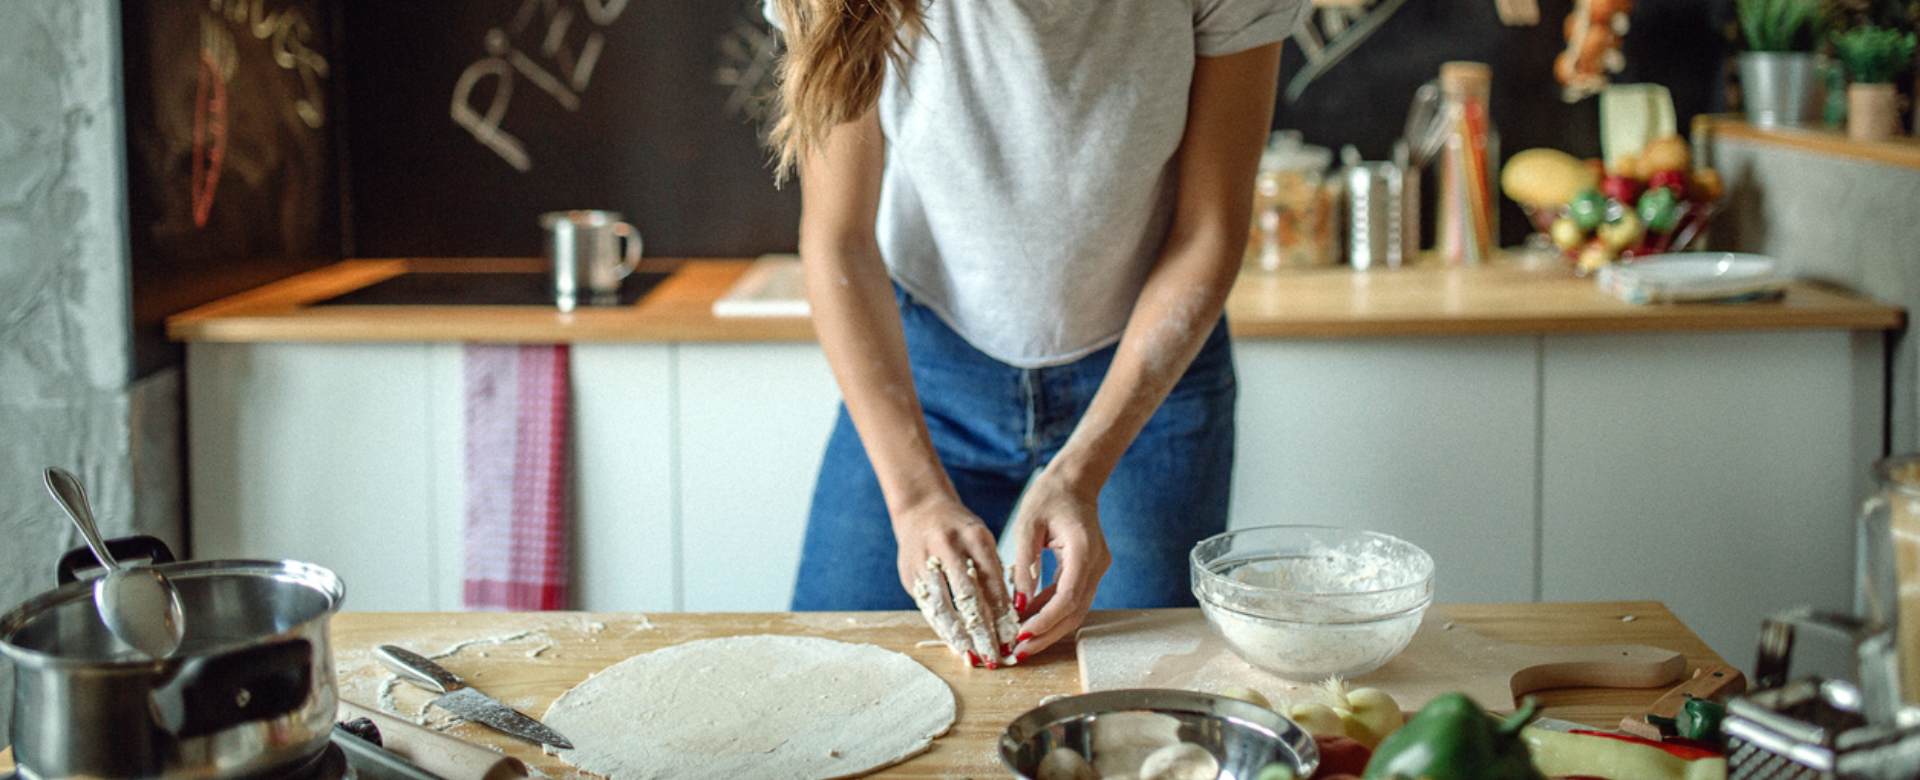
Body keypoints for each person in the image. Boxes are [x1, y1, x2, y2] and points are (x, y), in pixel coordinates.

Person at [764, 0, 1306, 667]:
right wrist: (914, 497)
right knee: (829, 674)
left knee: (1141, 708)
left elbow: (1207, 229)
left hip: (1146, 379)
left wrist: (1083, 470)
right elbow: (838, 239)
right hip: (925, 365)